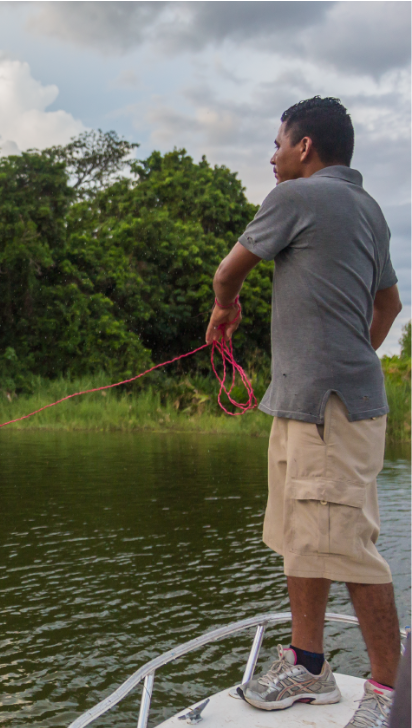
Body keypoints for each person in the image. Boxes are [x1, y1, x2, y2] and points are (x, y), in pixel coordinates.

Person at [204, 96, 403, 728]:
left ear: (305, 147)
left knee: (347, 546)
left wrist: (223, 311)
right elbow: (390, 306)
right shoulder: (369, 209)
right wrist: (351, 354)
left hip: (328, 409)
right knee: (302, 540)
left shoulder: (296, 197)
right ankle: (310, 667)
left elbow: (228, 271)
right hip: (311, 402)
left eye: (278, 143)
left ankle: (387, 694)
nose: (273, 156)